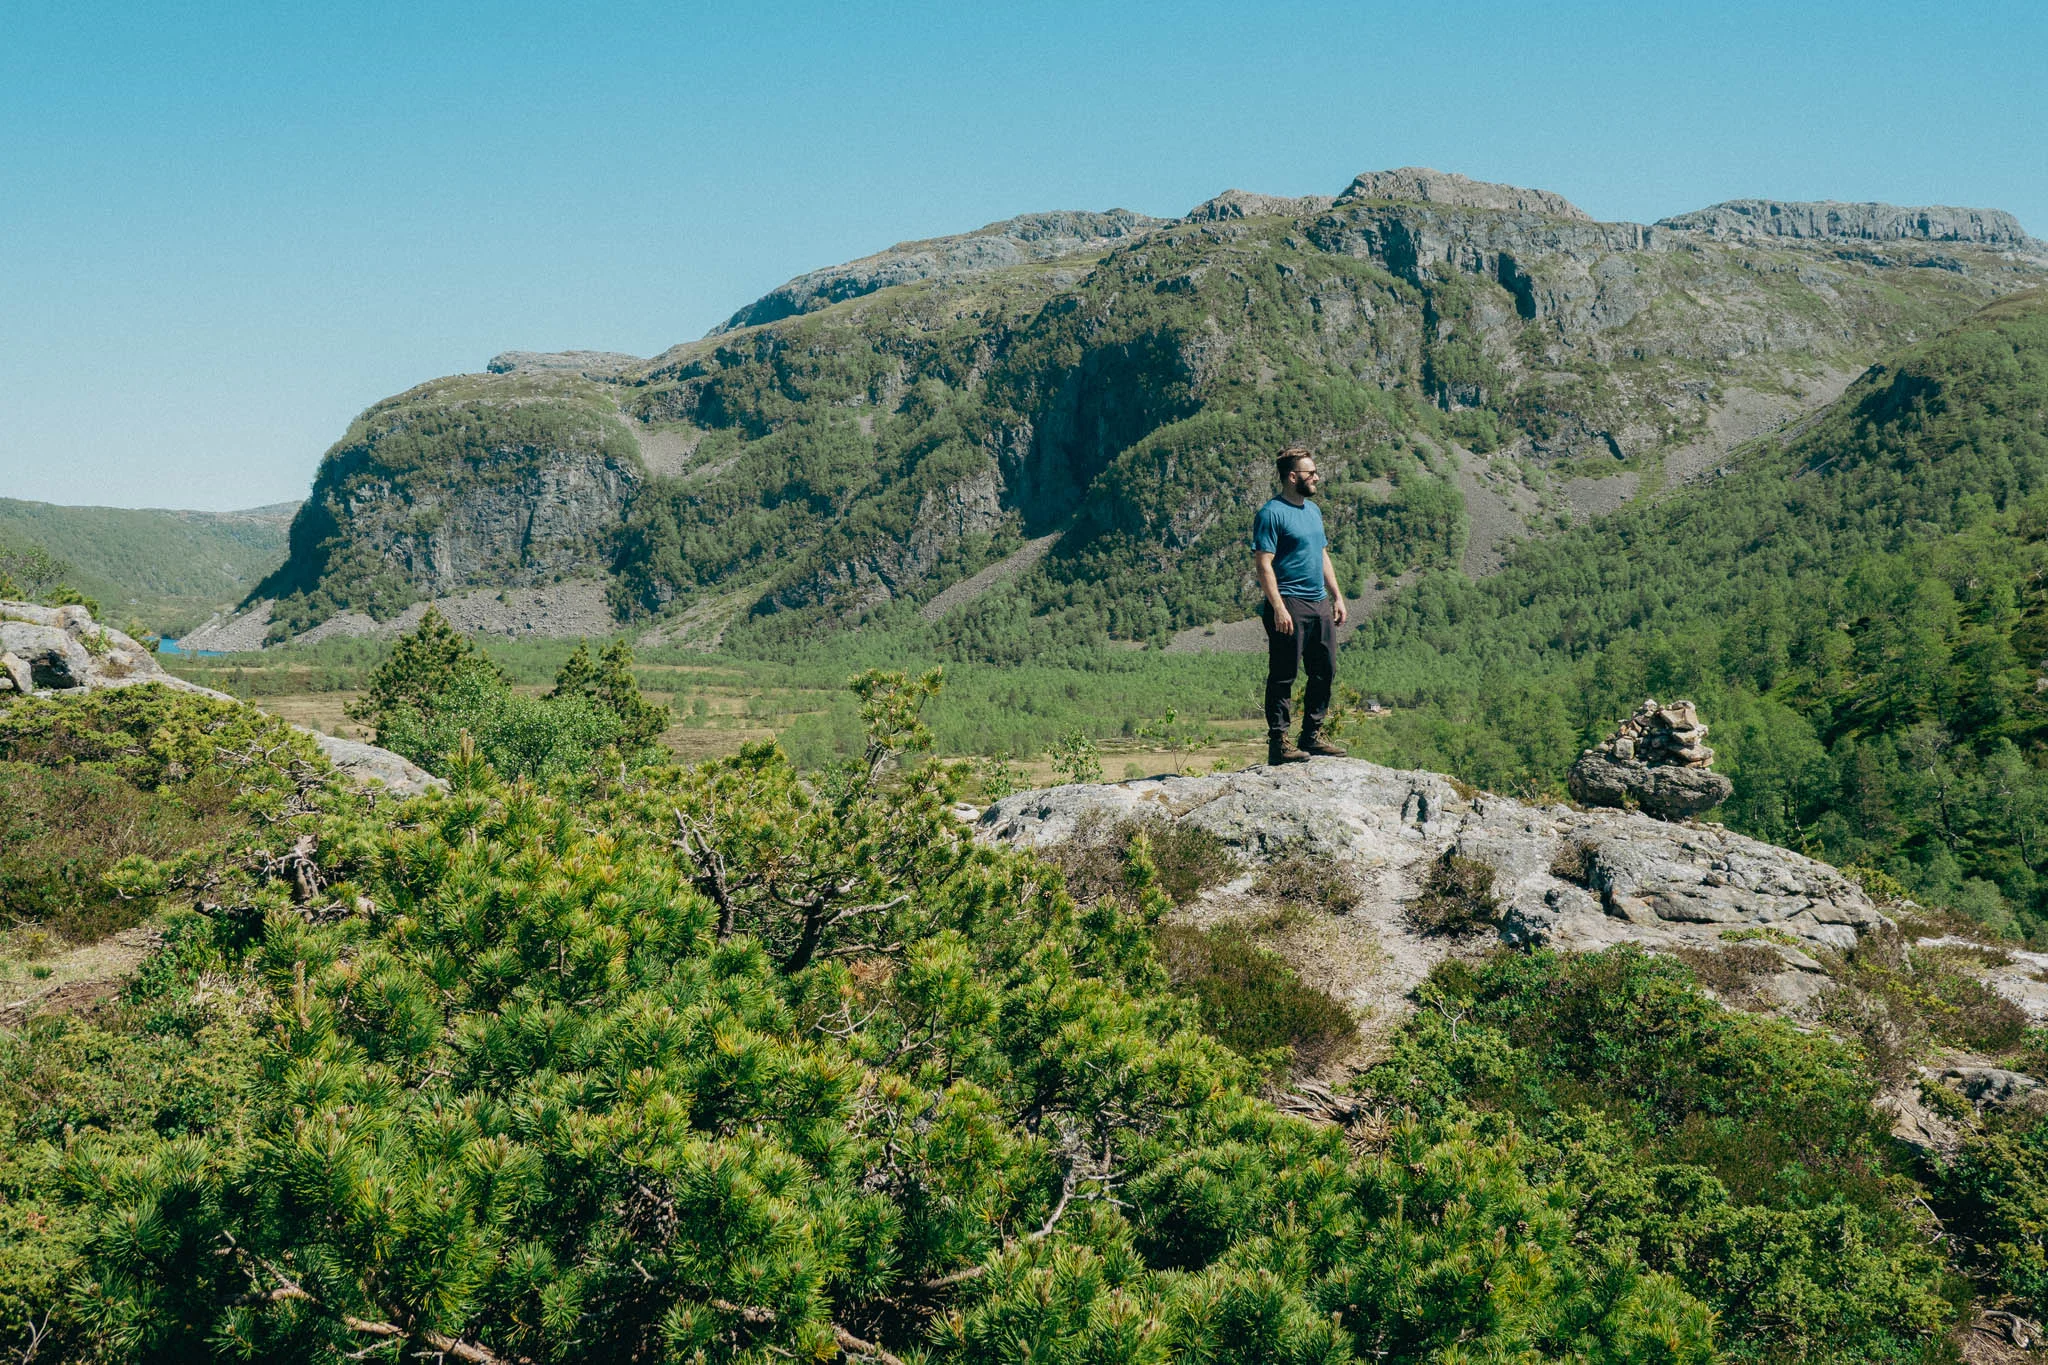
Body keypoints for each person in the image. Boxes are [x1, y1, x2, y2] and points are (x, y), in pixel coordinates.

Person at [1252, 445, 1348, 765]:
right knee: (1284, 674)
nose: (1317, 477)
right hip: (1289, 603)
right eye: (1311, 473)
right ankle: (1279, 742)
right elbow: (1264, 564)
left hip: (1318, 601)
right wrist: (1278, 607)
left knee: (1325, 670)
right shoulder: (1270, 513)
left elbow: (1321, 555)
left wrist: (1337, 596)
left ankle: (1312, 735)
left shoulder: (1313, 511)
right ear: (1293, 477)